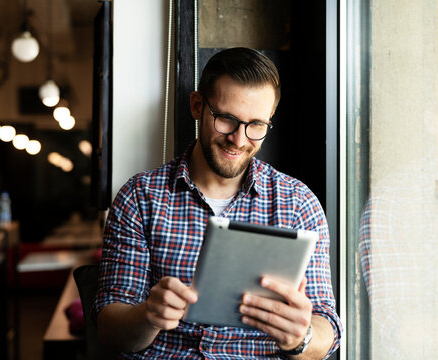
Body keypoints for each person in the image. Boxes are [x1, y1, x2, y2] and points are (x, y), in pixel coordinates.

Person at [94, 47, 342, 359]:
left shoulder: (297, 203)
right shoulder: (140, 196)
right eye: (226, 119)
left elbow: (327, 328)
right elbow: (110, 331)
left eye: (256, 125)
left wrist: (301, 337)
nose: (239, 140)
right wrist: (148, 315)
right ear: (197, 106)